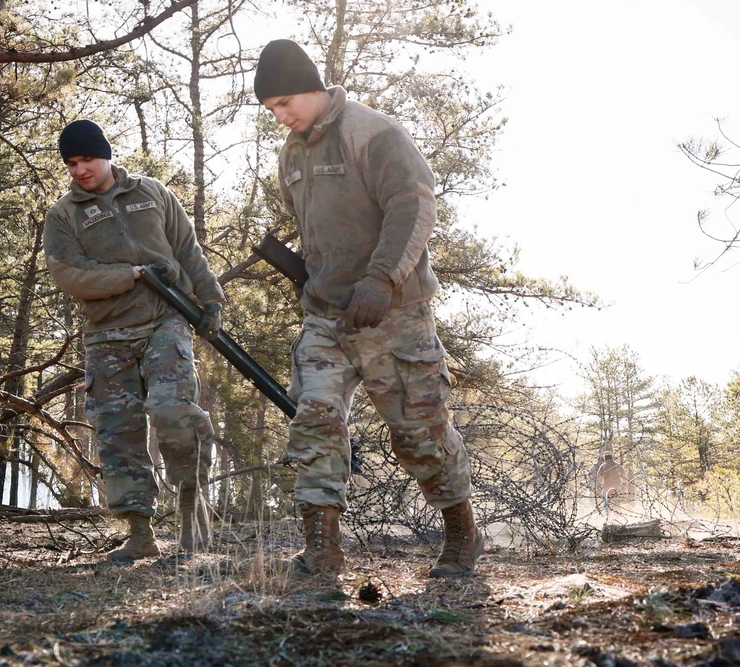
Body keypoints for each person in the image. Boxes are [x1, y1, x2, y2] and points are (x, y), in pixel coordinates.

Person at [253, 39, 483, 579]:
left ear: (312, 86)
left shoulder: (372, 132)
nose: (280, 117)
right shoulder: (292, 152)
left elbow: (413, 204)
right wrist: (315, 280)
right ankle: (322, 548)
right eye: (271, 110)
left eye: (285, 103)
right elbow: (314, 229)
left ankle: (461, 533)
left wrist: (381, 279)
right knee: (313, 421)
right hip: (325, 316)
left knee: (418, 430)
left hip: (392, 314)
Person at [42, 119, 225, 563]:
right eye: (71, 163)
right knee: (118, 430)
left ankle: (190, 511)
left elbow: (187, 250)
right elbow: (69, 275)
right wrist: (131, 276)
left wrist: (211, 300)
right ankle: (140, 533)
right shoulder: (64, 214)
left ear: (105, 154)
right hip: (107, 335)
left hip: (167, 319)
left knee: (174, 411)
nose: (80, 169)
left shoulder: (152, 193)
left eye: (86, 159)